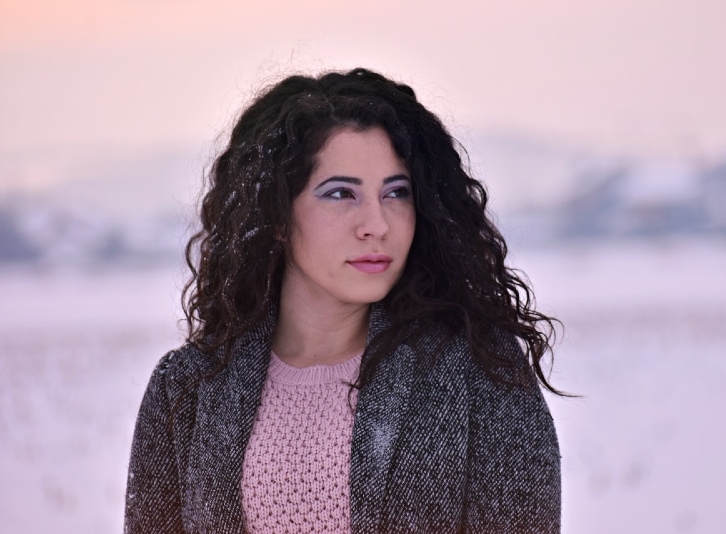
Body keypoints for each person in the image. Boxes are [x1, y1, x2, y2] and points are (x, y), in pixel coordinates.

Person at [124, 68, 562, 533]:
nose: (377, 223)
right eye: (340, 194)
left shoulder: (478, 369)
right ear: (275, 214)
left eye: (396, 193)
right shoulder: (187, 388)